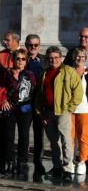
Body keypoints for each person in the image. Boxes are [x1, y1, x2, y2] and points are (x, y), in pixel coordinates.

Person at [35, 46, 83, 182]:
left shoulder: (68, 71)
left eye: (56, 57)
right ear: (47, 59)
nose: (53, 60)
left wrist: (70, 108)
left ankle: (67, 169)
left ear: (60, 58)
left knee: (66, 141)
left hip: (63, 112)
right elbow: (39, 95)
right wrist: (40, 113)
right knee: (54, 142)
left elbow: (78, 92)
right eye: (50, 58)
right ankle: (57, 166)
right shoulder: (44, 73)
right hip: (48, 112)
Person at [0, 49, 36, 177]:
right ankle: (10, 162)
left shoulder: (30, 75)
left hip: (25, 109)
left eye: (23, 59)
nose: (20, 61)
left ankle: (22, 163)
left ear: (26, 61)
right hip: (10, 109)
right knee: (9, 136)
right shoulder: (7, 73)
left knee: (24, 136)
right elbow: (1, 89)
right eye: (18, 59)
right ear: (13, 60)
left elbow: (34, 92)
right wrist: (3, 101)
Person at [24, 34, 48, 175]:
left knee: (39, 134)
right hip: (25, 102)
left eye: (36, 45)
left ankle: (38, 162)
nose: (33, 48)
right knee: (24, 133)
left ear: (39, 46)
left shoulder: (45, 60)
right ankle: (23, 160)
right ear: (26, 45)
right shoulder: (20, 58)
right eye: (30, 45)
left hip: (40, 103)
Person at [71, 48, 88, 175]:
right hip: (70, 108)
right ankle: (70, 161)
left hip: (84, 108)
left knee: (83, 136)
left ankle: (82, 161)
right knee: (69, 137)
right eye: (77, 55)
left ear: (86, 58)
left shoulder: (87, 72)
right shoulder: (68, 71)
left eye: (82, 56)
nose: (80, 58)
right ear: (73, 57)